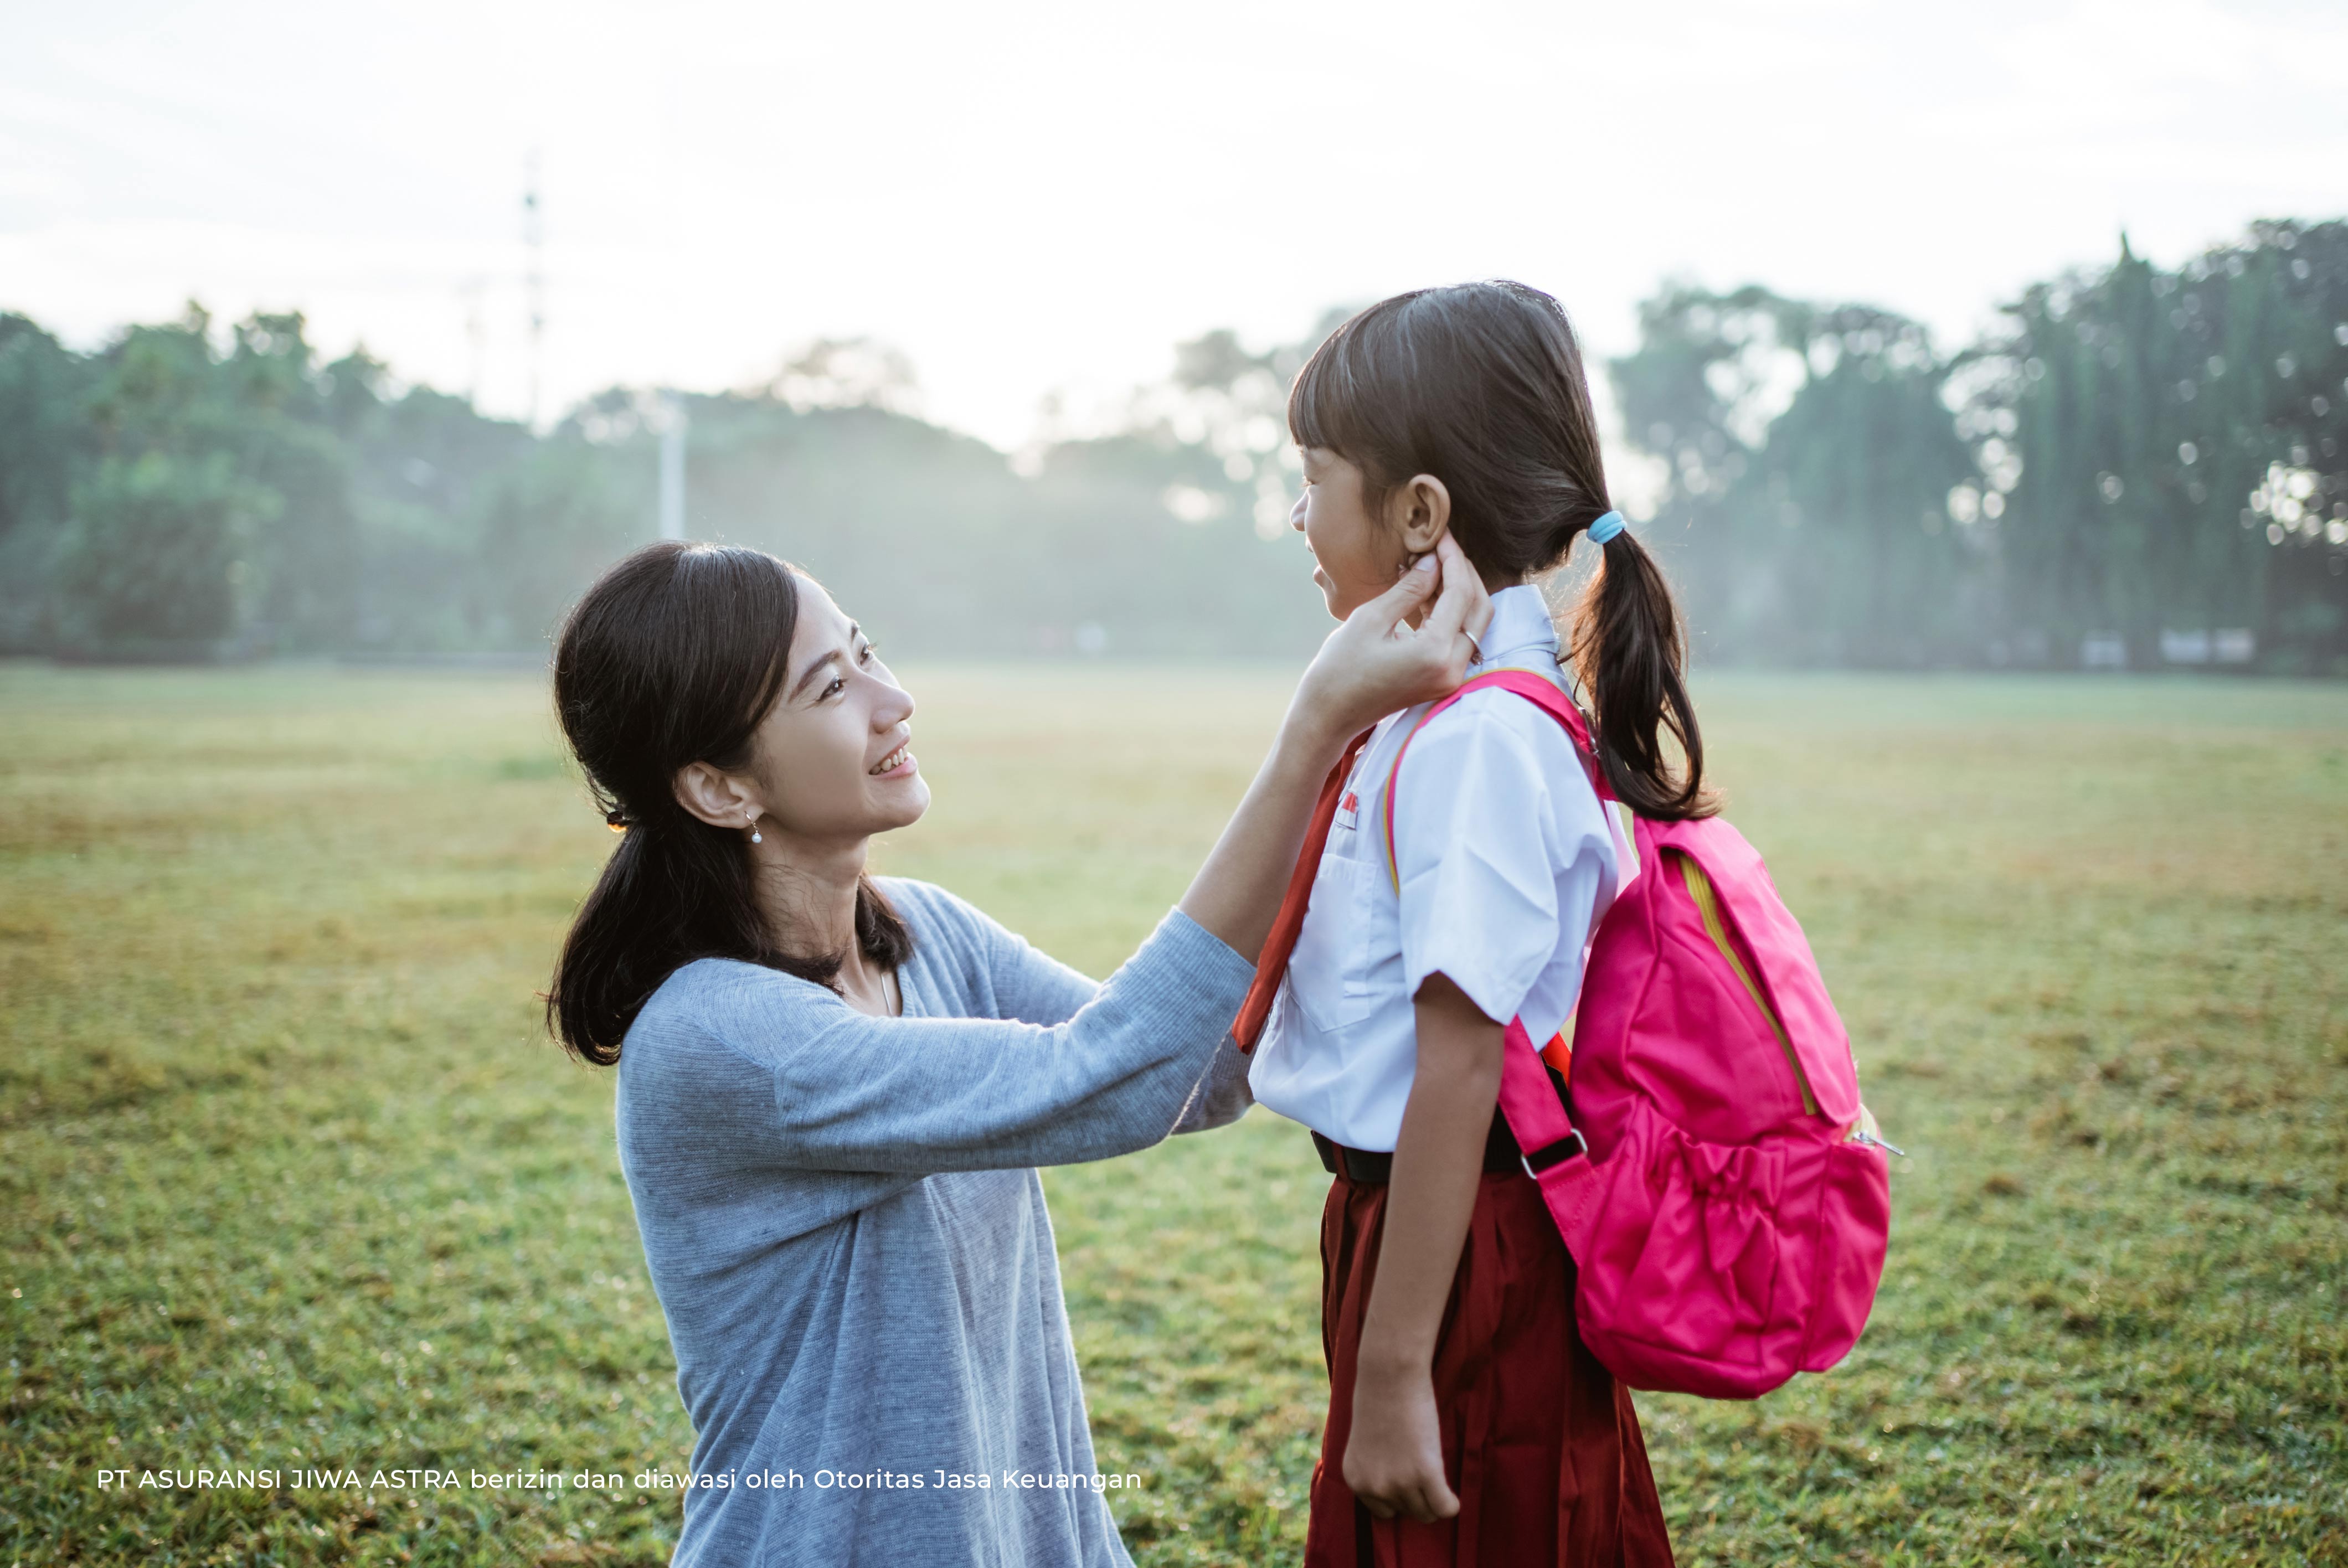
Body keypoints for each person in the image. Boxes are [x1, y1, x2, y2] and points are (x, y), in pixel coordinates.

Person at [542, 533, 1490, 1567]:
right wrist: (1312, 735)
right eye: (830, 688)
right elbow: (1109, 1081)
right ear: (720, 788)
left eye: (867, 652)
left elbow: (1203, 1077)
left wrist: (1375, 787)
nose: (893, 699)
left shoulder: (928, 932)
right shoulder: (717, 1037)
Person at [1241, 281, 1691, 1566]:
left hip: (1462, 1249)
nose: (1296, 514)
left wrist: (1390, 1377)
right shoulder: (1447, 708)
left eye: (1314, 476)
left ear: (1420, 511)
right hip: (1422, 1230)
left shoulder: (1481, 737)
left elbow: (1460, 1059)